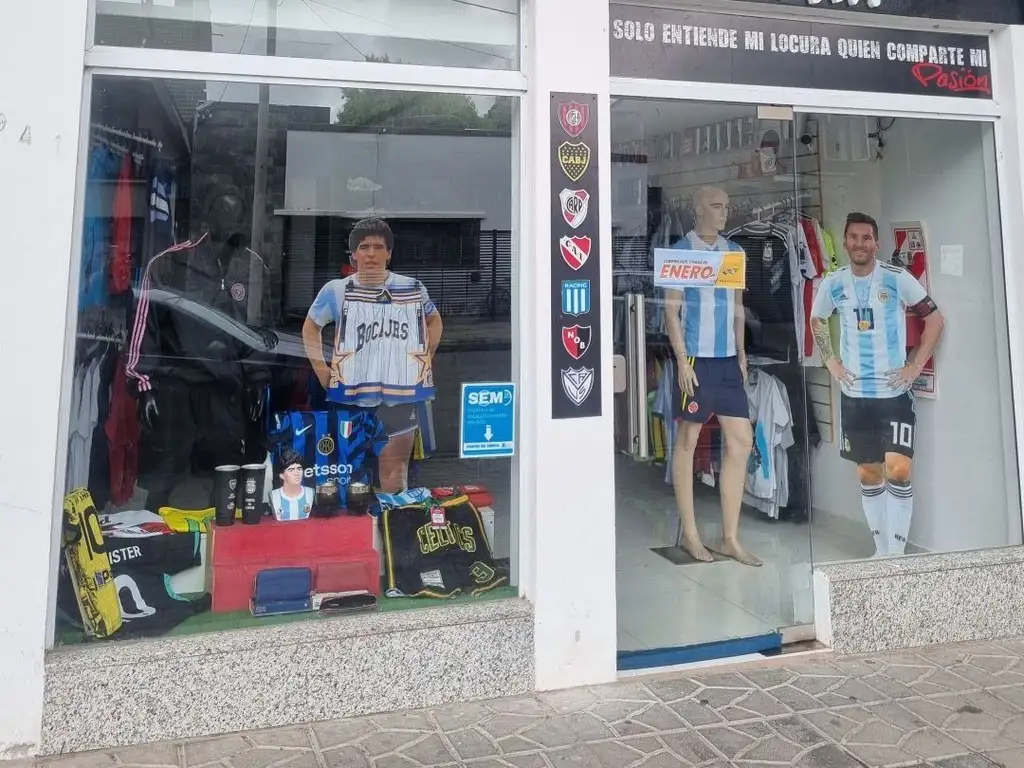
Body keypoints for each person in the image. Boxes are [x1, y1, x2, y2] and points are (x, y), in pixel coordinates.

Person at [810, 212, 945, 557]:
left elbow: (934, 319)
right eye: (854, 237)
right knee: (869, 474)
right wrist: (830, 360)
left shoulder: (896, 278)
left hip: (893, 394)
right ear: (845, 242)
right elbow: (817, 318)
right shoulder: (833, 282)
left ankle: (895, 556)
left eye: (866, 238)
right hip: (854, 396)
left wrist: (915, 366)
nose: (860, 244)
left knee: (899, 470)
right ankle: (881, 552)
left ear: (877, 243)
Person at [302, 218, 443, 493]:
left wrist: (424, 360)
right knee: (349, 473)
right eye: (364, 247)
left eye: (378, 247)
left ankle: (392, 519)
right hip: (351, 398)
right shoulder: (336, 290)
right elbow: (311, 327)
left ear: (389, 253)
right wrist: (321, 370)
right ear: (353, 254)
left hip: (399, 399)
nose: (370, 254)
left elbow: (434, 321)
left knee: (394, 473)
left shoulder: (411, 287)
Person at [663, 186, 759, 567]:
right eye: (716, 206)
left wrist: (742, 353)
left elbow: (738, 308)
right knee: (687, 439)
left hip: (727, 361)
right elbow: (671, 311)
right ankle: (690, 534)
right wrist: (681, 360)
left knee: (742, 440)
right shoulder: (679, 252)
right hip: (696, 360)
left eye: (726, 206)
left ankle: (729, 537)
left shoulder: (734, 252)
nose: (724, 212)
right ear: (698, 209)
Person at [269, 448, 315, 522]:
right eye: (291, 470)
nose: (296, 473)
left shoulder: (310, 492)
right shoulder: (274, 495)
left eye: (299, 469)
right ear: (282, 475)